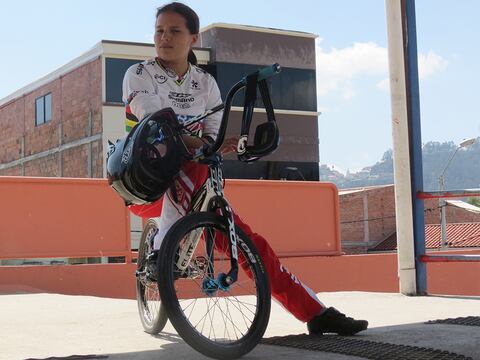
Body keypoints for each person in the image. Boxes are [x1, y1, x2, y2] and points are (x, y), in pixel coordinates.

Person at [122, 2, 368, 336]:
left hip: (196, 186)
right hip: (145, 179)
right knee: (191, 163)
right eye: (159, 30)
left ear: (193, 38)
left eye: (174, 30)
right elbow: (156, 124)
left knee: (250, 245)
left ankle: (315, 312)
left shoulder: (206, 84)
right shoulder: (139, 73)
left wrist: (227, 143)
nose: (164, 37)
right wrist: (203, 144)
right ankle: (161, 252)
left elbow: (212, 134)